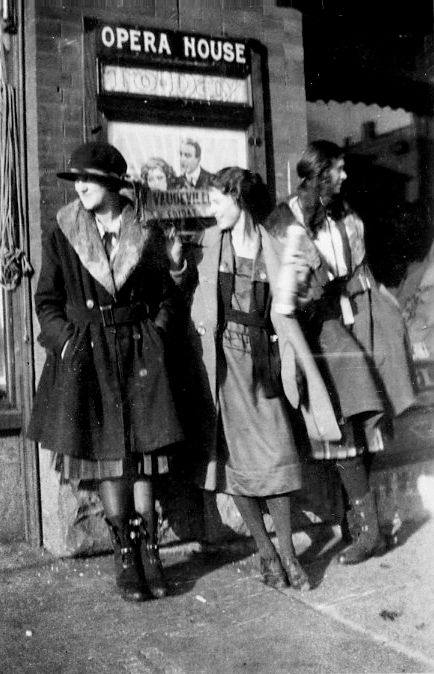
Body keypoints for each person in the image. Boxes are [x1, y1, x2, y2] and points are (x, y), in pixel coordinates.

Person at [169, 167, 341, 591]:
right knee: (235, 463)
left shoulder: (275, 245)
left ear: (238, 199)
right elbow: (181, 286)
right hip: (221, 365)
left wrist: (304, 272)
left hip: (265, 364)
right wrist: (175, 265)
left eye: (216, 202)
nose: (211, 211)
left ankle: (288, 552)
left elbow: (311, 288)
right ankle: (267, 554)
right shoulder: (209, 242)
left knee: (278, 457)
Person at [28, 142, 184, 601]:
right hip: (90, 358)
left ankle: (150, 551)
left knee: (143, 459)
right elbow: (47, 302)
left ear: (113, 184)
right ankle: (125, 555)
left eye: (89, 179)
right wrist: (66, 344)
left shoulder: (146, 231)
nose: (80, 187)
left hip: (138, 356)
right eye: (76, 180)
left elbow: (166, 297)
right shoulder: (64, 231)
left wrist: (154, 335)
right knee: (108, 458)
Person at [271, 140, 416, 564]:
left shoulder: (346, 215)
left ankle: (365, 528)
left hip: (356, 320)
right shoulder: (287, 219)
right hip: (318, 328)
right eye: (337, 169)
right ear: (318, 173)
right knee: (340, 426)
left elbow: (358, 267)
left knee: (362, 423)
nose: (344, 176)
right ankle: (363, 526)